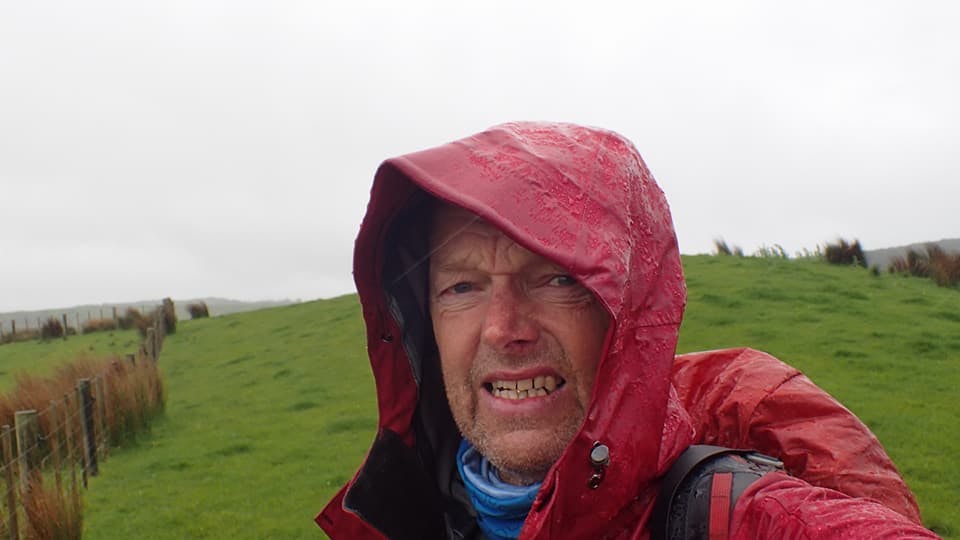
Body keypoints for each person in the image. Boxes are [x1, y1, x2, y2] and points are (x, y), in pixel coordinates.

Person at [317, 122, 938, 539]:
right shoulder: (404, 511)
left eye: (558, 279)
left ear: (631, 312)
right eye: (461, 287)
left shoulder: (744, 515)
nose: (503, 329)